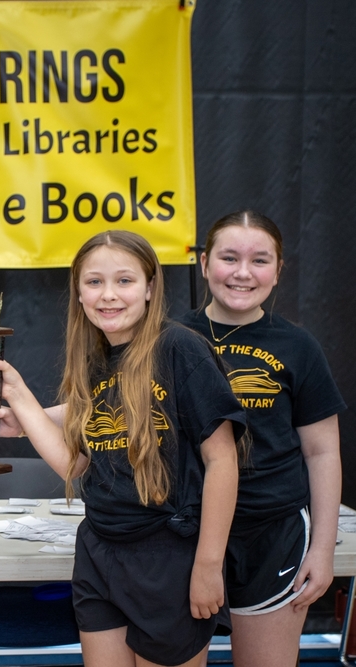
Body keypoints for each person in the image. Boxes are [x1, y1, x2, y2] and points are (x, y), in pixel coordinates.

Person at [0, 230, 245, 667]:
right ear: (78, 292)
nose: (108, 295)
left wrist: (208, 565)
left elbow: (222, 462)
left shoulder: (180, 349)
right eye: (94, 282)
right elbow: (77, 463)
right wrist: (22, 404)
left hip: (170, 558)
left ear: (150, 288)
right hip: (99, 553)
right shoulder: (94, 360)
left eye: (124, 281)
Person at [178, 211, 345, 667]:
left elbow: (323, 450)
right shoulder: (171, 338)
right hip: (183, 534)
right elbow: (104, 403)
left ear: (278, 270)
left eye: (260, 260)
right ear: (205, 263)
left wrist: (323, 550)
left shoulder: (298, 346)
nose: (243, 273)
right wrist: (21, 414)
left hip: (272, 534)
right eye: (229, 258)